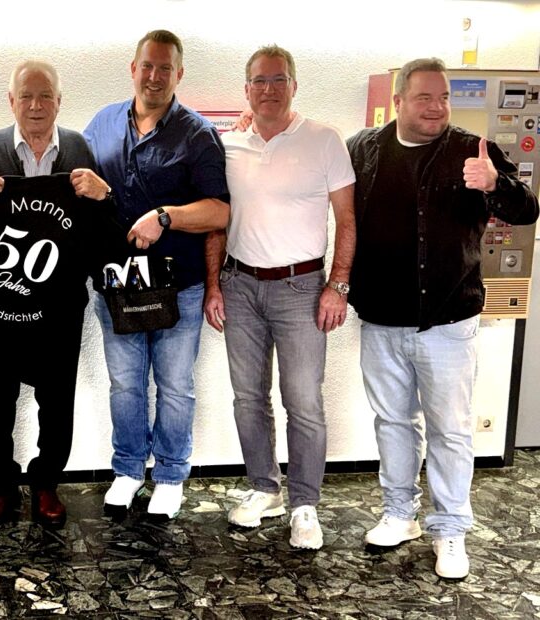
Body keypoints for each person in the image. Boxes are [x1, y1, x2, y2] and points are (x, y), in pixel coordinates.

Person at [347, 58, 537, 578]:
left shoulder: (471, 150)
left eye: (444, 97)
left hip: (449, 321)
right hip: (381, 318)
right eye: (424, 97)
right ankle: (399, 513)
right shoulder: (363, 148)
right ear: (399, 101)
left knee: (450, 430)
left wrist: (495, 183)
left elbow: (527, 210)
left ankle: (450, 530)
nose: (437, 107)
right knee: (392, 422)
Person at [0, 60, 115, 525]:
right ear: (11, 101)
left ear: (59, 100)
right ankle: (1, 487)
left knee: (56, 403)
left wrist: (104, 194)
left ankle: (46, 486)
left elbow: (101, 228)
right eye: (26, 96)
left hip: (60, 308)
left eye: (45, 96)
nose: (35, 105)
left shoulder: (78, 148)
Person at [203, 45, 355, 549]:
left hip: (302, 288)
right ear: (246, 89)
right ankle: (264, 489)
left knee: (304, 401)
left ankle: (304, 504)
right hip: (240, 286)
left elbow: (347, 220)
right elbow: (217, 220)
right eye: (260, 81)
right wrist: (213, 285)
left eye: (278, 79)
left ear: (294, 85)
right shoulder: (228, 145)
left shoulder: (324, 140)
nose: (269, 89)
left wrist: (338, 285)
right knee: (248, 398)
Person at [84, 30, 230, 518]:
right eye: (147, 66)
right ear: (133, 68)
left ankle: (169, 475)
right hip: (117, 284)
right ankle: (128, 470)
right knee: (125, 384)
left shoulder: (198, 133)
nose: (154, 76)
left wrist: (165, 217)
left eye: (165, 68)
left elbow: (220, 211)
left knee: (174, 386)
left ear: (178, 74)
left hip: (179, 287)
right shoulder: (102, 124)